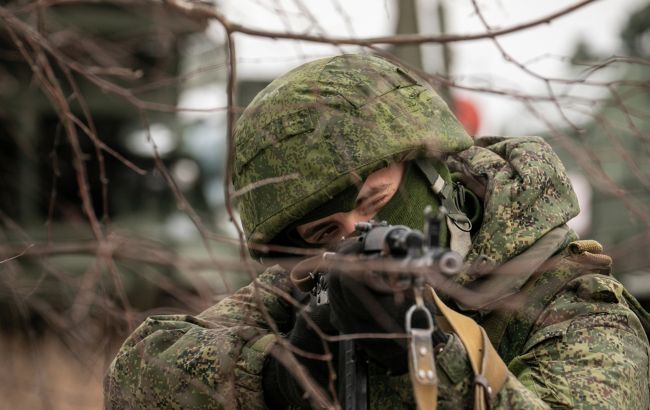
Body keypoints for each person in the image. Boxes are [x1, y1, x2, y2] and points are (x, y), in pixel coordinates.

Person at [104, 54, 650, 409]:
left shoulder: (573, 303)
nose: (359, 233)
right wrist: (286, 372)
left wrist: (427, 357)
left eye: (376, 199)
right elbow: (134, 379)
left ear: (434, 172)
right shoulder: (313, 287)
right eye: (326, 231)